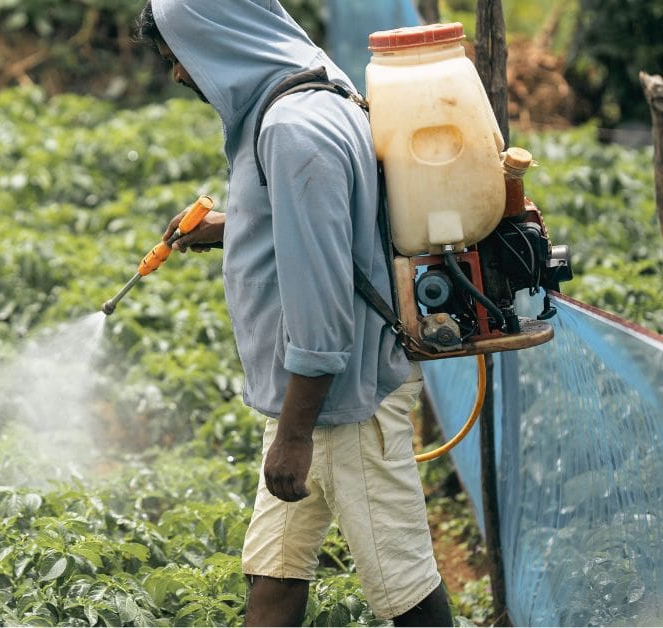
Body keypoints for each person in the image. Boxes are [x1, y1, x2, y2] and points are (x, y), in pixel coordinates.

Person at [134, 1, 453, 626]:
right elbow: (335, 225)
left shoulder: (289, 130)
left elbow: (324, 294)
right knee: (274, 570)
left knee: (406, 591)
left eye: (178, 57)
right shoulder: (314, 82)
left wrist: (295, 434)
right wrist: (235, 226)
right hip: (311, 401)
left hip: (340, 405)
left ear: (217, 40)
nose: (177, 75)